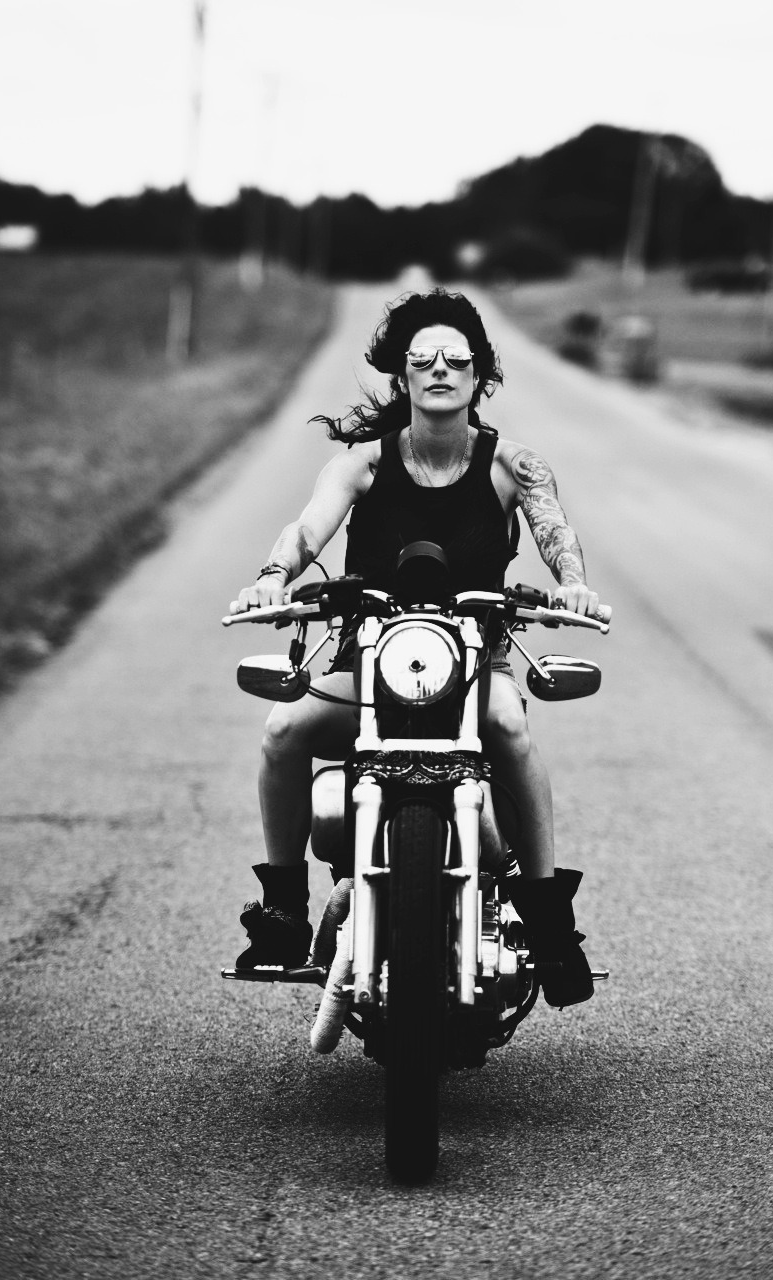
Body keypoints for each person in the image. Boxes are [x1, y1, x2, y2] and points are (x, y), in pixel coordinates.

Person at [229, 289, 602, 1006]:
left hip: (474, 666)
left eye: (455, 359)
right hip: (368, 667)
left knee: (511, 728)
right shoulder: (362, 464)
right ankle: (283, 910)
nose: (438, 369)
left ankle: (549, 915)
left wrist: (574, 585)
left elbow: (556, 533)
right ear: (401, 375)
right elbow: (307, 530)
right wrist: (273, 578)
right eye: (421, 359)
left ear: (478, 375)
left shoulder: (510, 465)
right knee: (282, 730)